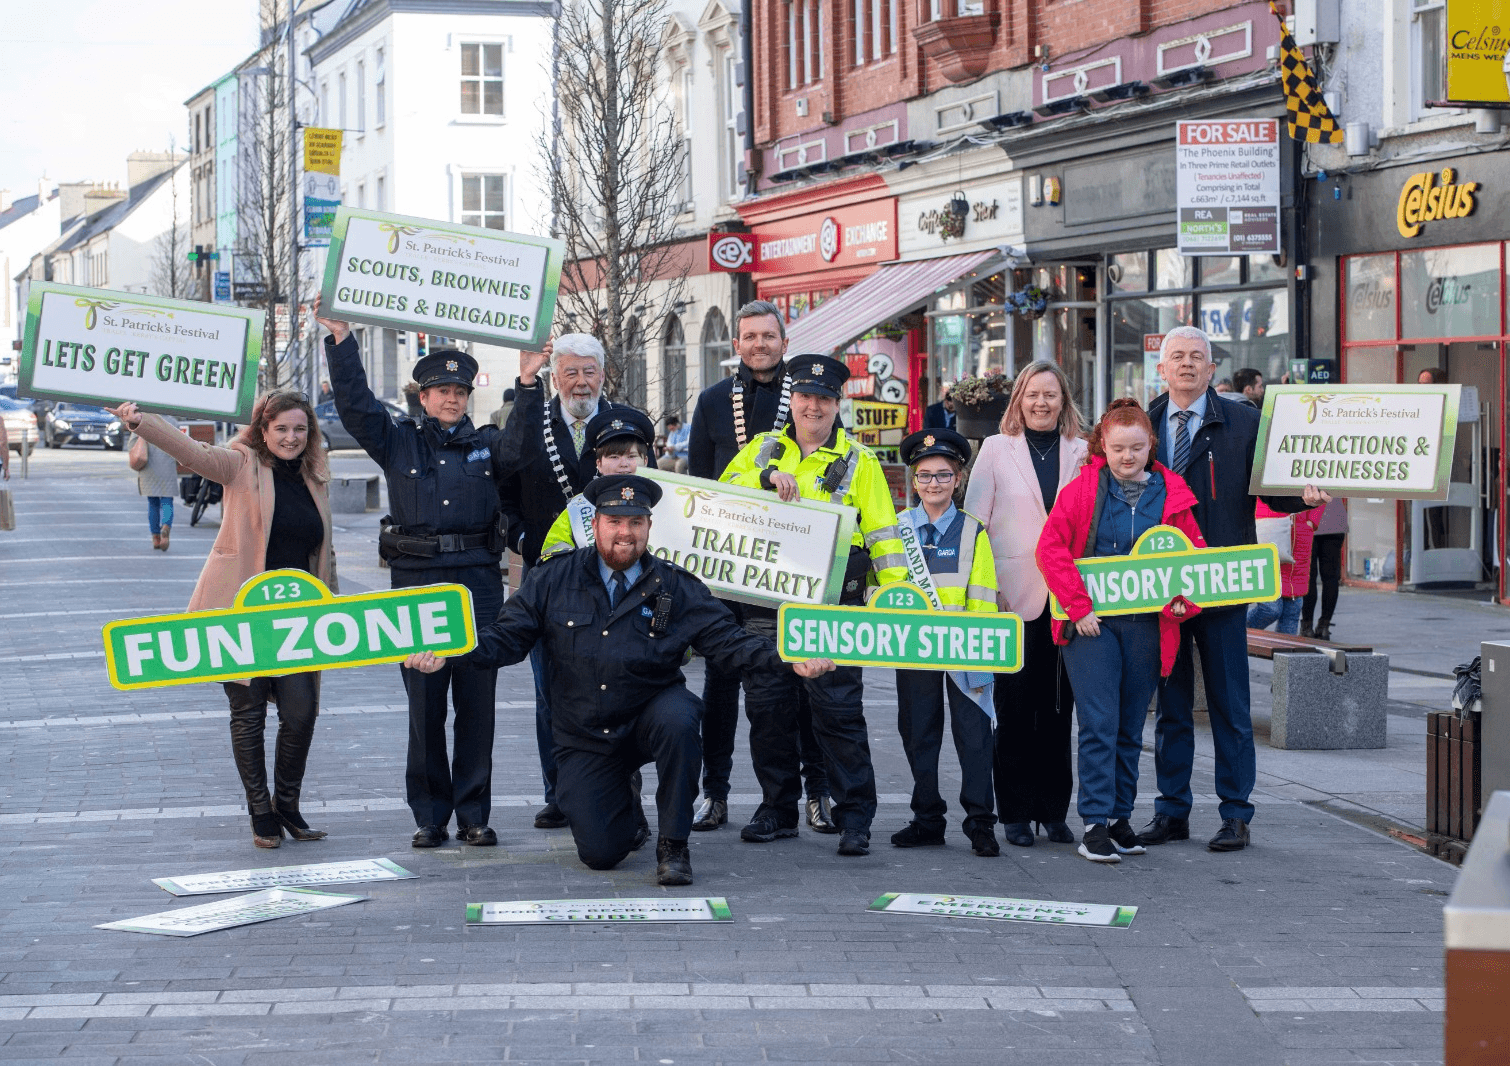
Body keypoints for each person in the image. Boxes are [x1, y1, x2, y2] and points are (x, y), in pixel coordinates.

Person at [405, 474, 835, 885]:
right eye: (614, 522)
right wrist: (451, 655)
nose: (624, 533)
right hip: (586, 733)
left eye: (635, 522)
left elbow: (730, 642)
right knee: (600, 854)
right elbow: (507, 639)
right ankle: (624, 811)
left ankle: (674, 846)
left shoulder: (675, 585)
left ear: (650, 526)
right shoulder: (552, 579)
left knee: (680, 719)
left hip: (652, 714)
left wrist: (789, 659)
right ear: (595, 526)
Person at [316, 300, 538, 850]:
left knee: (476, 703)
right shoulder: (398, 440)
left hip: (477, 588)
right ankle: (431, 815)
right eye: (441, 391)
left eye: (459, 392)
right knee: (425, 703)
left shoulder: (488, 444)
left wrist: (529, 384)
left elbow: (522, 448)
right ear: (422, 395)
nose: (451, 399)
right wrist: (341, 341)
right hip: (416, 587)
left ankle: (474, 814)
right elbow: (355, 407)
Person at [110, 392, 334, 849]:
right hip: (240, 614)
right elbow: (191, 452)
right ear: (263, 430)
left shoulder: (315, 475)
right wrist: (142, 422)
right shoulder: (240, 462)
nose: (291, 438)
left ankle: (286, 804)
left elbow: (322, 551)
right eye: (282, 429)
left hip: (296, 620)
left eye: (299, 430)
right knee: (248, 713)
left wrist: (332, 608)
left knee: (301, 713)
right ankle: (260, 810)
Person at [1146, 325, 1328, 852]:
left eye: (1196, 357)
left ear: (1210, 369)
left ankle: (1235, 815)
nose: (1185, 364)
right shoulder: (1145, 425)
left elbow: (1276, 488)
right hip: (1161, 590)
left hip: (1223, 584)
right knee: (1173, 706)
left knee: (1229, 704)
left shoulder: (1245, 421)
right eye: (1176, 356)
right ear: (1162, 368)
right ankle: (1171, 811)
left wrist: (1305, 496)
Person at [722, 353, 908, 857]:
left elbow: (886, 538)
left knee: (839, 714)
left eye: (823, 399)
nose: (813, 406)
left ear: (836, 404)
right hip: (766, 605)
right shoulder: (763, 450)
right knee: (768, 711)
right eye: (805, 396)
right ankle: (777, 809)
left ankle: (855, 818)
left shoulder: (861, 462)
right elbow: (722, 497)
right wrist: (761, 483)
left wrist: (895, 598)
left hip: (834, 608)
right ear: (793, 399)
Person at [686, 299, 831, 835]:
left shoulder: (811, 400)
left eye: (768, 336)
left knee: (808, 680)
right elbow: (700, 484)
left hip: (795, 563)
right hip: (730, 564)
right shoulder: (712, 401)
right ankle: (714, 792)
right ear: (736, 345)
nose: (759, 345)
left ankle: (817, 792)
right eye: (749, 337)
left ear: (784, 341)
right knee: (721, 685)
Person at [1037, 399, 1203, 863]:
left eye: (1136, 447)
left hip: (1149, 625)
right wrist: (1076, 605)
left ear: (1152, 445)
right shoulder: (1083, 490)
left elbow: (1195, 559)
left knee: (1131, 728)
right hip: (1092, 626)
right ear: (1101, 448)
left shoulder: (1173, 492)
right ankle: (1093, 823)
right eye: (1117, 448)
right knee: (1099, 724)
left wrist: (1182, 600)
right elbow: (1051, 548)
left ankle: (1118, 818)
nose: (1126, 457)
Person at [500, 334, 633, 832]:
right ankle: (558, 791)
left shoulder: (625, 424)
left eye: (590, 372)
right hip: (549, 579)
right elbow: (505, 493)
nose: (581, 382)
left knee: (617, 687)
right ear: (556, 375)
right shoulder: (530, 417)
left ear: (603, 373)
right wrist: (526, 541)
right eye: (571, 372)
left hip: (619, 577)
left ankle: (614, 788)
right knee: (549, 691)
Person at [963, 360, 1087, 849]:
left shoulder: (1084, 450)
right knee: (1014, 710)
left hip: (1070, 597)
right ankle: (1014, 812)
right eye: (1033, 394)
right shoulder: (995, 449)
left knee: (1060, 710)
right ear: (1018, 399)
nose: (1041, 403)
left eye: (1050, 395)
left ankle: (1053, 811)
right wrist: (983, 595)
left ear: (1064, 401)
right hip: (1010, 596)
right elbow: (974, 524)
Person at [890, 428, 1001, 857]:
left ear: (958, 479)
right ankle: (927, 819)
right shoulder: (896, 531)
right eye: (924, 475)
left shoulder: (974, 532)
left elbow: (984, 596)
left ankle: (980, 823)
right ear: (913, 481)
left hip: (966, 649)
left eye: (942, 475)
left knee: (975, 739)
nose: (933, 483)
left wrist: (981, 648)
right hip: (914, 648)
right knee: (919, 734)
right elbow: (886, 589)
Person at [541, 408, 656, 559]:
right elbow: (551, 563)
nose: (623, 464)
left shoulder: (665, 502)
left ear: (645, 461)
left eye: (631, 456)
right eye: (614, 456)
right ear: (599, 464)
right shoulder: (577, 509)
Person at [1248, 503, 1323, 635]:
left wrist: (1312, 520)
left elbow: (1323, 488)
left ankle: (1285, 653)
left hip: (1299, 530)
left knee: (1292, 608)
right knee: (1270, 609)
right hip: (1270, 525)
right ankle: (1234, 633)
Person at [129, 413, 180, 551]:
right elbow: (181, 446)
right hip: (167, 466)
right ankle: (165, 526)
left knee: (153, 503)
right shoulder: (172, 421)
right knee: (167, 500)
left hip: (148, 466)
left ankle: (156, 538)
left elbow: (132, 444)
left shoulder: (142, 419)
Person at [1302, 498, 1347, 640]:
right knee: (1331, 577)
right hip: (1336, 519)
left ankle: (1307, 626)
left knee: (1309, 577)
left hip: (1309, 520)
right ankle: (1324, 627)